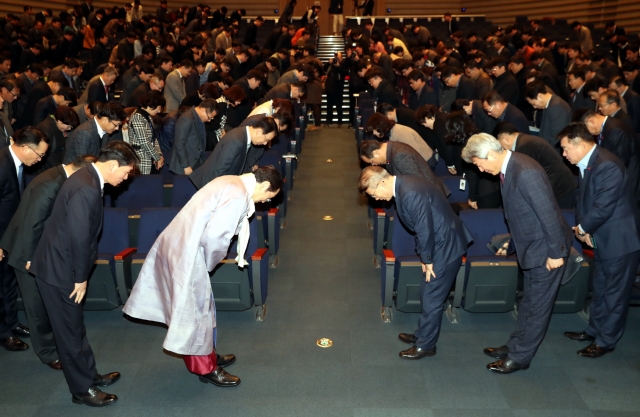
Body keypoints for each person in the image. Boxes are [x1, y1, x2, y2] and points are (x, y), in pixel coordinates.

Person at [123, 166, 282, 387]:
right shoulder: (237, 194)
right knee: (194, 313)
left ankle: (208, 354)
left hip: (180, 243)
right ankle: (205, 367)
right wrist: (209, 264)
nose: (265, 202)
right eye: (268, 197)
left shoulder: (232, 180)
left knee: (202, 309)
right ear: (264, 185)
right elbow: (217, 238)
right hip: (188, 252)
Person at [31, 141, 137, 406]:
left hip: (61, 264)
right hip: (61, 270)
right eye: (126, 172)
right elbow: (79, 238)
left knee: (75, 328)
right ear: (112, 164)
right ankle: (81, 390)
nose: (126, 178)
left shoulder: (87, 176)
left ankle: (89, 375)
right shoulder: (87, 188)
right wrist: (80, 277)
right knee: (68, 332)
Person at [462, 133, 572, 374]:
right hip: (532, 246)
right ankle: (515, 344)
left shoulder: (525, 171)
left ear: (490, 154)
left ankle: (521, 357)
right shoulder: (510, 167)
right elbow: (524, 212)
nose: (479, 170)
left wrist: (556, 253)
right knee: (529, 301)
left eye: (479, 164)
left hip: (547, 250)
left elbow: (549, 216)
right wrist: (512, 242)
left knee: (538, 306)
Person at [358, 166, 472, 359]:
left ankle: (426, 346)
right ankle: (423, 335)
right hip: (441, 242)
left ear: (382, 182)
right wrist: (424, 255)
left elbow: (423, 228)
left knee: (432, 298)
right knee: (427, 293)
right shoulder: (404, 183)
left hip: (445, 246)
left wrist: (427, 259)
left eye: (374, 193)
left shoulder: (409, 192)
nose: (375, 199)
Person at [0, 154, 96, 369]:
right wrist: (30, 258)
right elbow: (32, 224)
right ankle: (48, 353)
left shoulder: (61, 177)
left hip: (37, 251)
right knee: (36, 308)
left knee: (44, 305)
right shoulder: (51, 183)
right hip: (27, 253)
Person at [558, 122, 640, 358]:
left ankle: (606, 341)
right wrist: (584, 229)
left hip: (620, 241)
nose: (563, 155)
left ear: (580, 144)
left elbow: (603, 207)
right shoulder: (589, 163)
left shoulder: (607, 165)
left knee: (615, 294)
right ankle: (594, 330)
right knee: (601, 289)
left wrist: (583, 228)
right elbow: (584, 201)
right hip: (602, 237)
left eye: (565, 149)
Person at [0, 128, 50, 352]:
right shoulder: (1, 164)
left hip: (9, 236)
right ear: (25, 147)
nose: (40, 160)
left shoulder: (15, 164)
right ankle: (3, 332)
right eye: (39, 155)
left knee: (9, 283)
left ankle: (12, 323)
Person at [495, 122, 577, 209]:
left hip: (560, 189)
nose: (501, 149)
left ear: (505, 139)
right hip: (560, 185)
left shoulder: (524, 146)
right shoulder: (526, 140)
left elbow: (527, 178)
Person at [190, 117, 279, 189]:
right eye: (266, 139)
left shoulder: (242, 134)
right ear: (259, 131)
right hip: (209, 185)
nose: (265, 143)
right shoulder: (236, 141)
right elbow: (219, 171)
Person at [359, 140, 449, 196]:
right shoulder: (393, 148)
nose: (374, 164)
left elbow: (418, 184)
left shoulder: (399, 156)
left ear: (376, 153)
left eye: (372, 161)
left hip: (432, 197)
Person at [168, 99, 217, 175]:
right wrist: (186, 165)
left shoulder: (198, 118)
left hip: (195, 163)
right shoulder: (186, 118)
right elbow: (179, 143)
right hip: (184, 165)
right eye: (209, 117)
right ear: (204, 110)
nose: (209, 120)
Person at [526, 80, 572, 151]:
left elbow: (556, 137)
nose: (534, 107)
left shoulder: (556, 107)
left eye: (534, 103)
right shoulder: (549, 104)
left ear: (540, 96)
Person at [35, 106, 81, 173]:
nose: (69, 129)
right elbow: (48, 155)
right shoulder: (46, 129)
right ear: (59, 121)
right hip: (46, 168)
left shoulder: (58, 126)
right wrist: (60, 169)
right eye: (68, 126)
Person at [128, 92, 166, 175]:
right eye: (159, 108)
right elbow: (144, 141)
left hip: (151, 158)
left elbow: (154, 138)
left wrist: (159, 155)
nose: (159, 111)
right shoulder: (137, 117)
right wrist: (157, 157)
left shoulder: (148, 117)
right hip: (142, 159)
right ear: (151, 105)